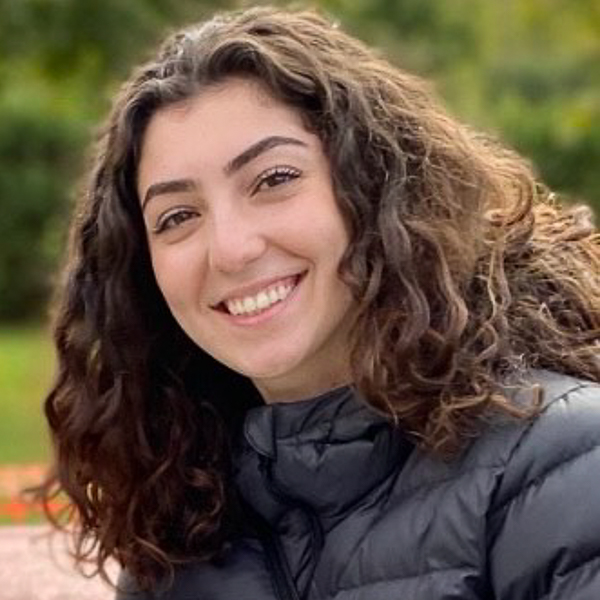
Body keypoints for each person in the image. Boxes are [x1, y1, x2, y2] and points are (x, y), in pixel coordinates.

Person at [37, 5, 600, 600]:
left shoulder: (564, 467)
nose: (230, 249)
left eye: (274, 179)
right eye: (177, 217)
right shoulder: (177, 543)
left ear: (377, 184)